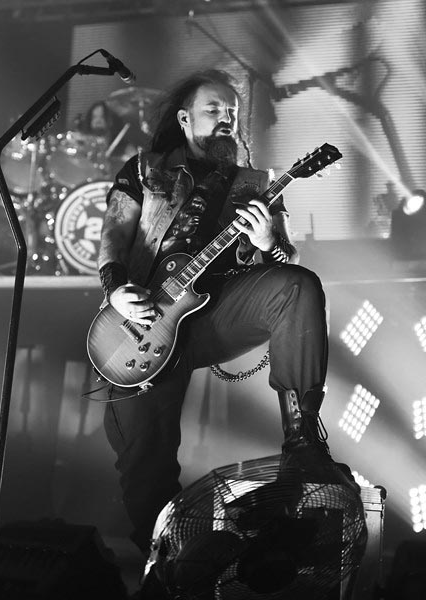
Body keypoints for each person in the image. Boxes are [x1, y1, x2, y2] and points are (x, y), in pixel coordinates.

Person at [97, 69, 356, 558]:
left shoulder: (255, 183)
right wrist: (115, 290)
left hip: (217, 314)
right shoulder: (146, 168)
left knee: (298, 285)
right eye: (213, 110)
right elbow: (114, 232)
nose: (225, 120)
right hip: (145, 323)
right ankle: (172, 561)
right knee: (143, 462)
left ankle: (302, 440)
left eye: (232, 113)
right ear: (184, 118)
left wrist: (267, 240)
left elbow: (286, 259)